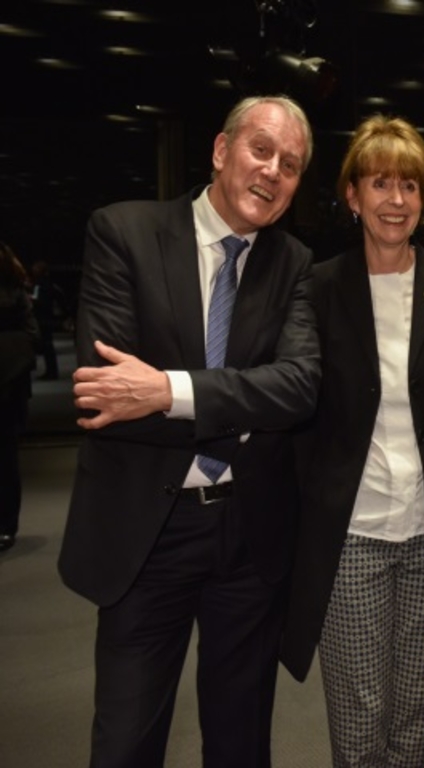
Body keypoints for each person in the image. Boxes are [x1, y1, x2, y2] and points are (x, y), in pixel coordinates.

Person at [57, 95, 321, 768]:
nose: (272, 172)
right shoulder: (125, 232)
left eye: (290, 165)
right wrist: (235, 402)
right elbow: (103, 388)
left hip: (248, 536)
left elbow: (296, 389)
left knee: (240, 746)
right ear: (220, 150)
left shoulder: (292, 263)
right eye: (261, 151)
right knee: (126, 743)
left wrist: (165, 390)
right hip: (148, 533)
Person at [280, 115, 424, 767]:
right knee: (361, 734)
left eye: (410, 186)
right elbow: (294, 395)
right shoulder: (320, 287)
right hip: (352, 538)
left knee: (413, 727)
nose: (396, 199)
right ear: (352, 195)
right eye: (381, 182)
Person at [0, 241, 40, 551]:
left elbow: (31, 337)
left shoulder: (16, 295)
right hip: (13, 383)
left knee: (6, 458)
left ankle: (5, 526)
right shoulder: (19, 293)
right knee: (7, 457)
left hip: (9, 385)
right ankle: (6, 526)